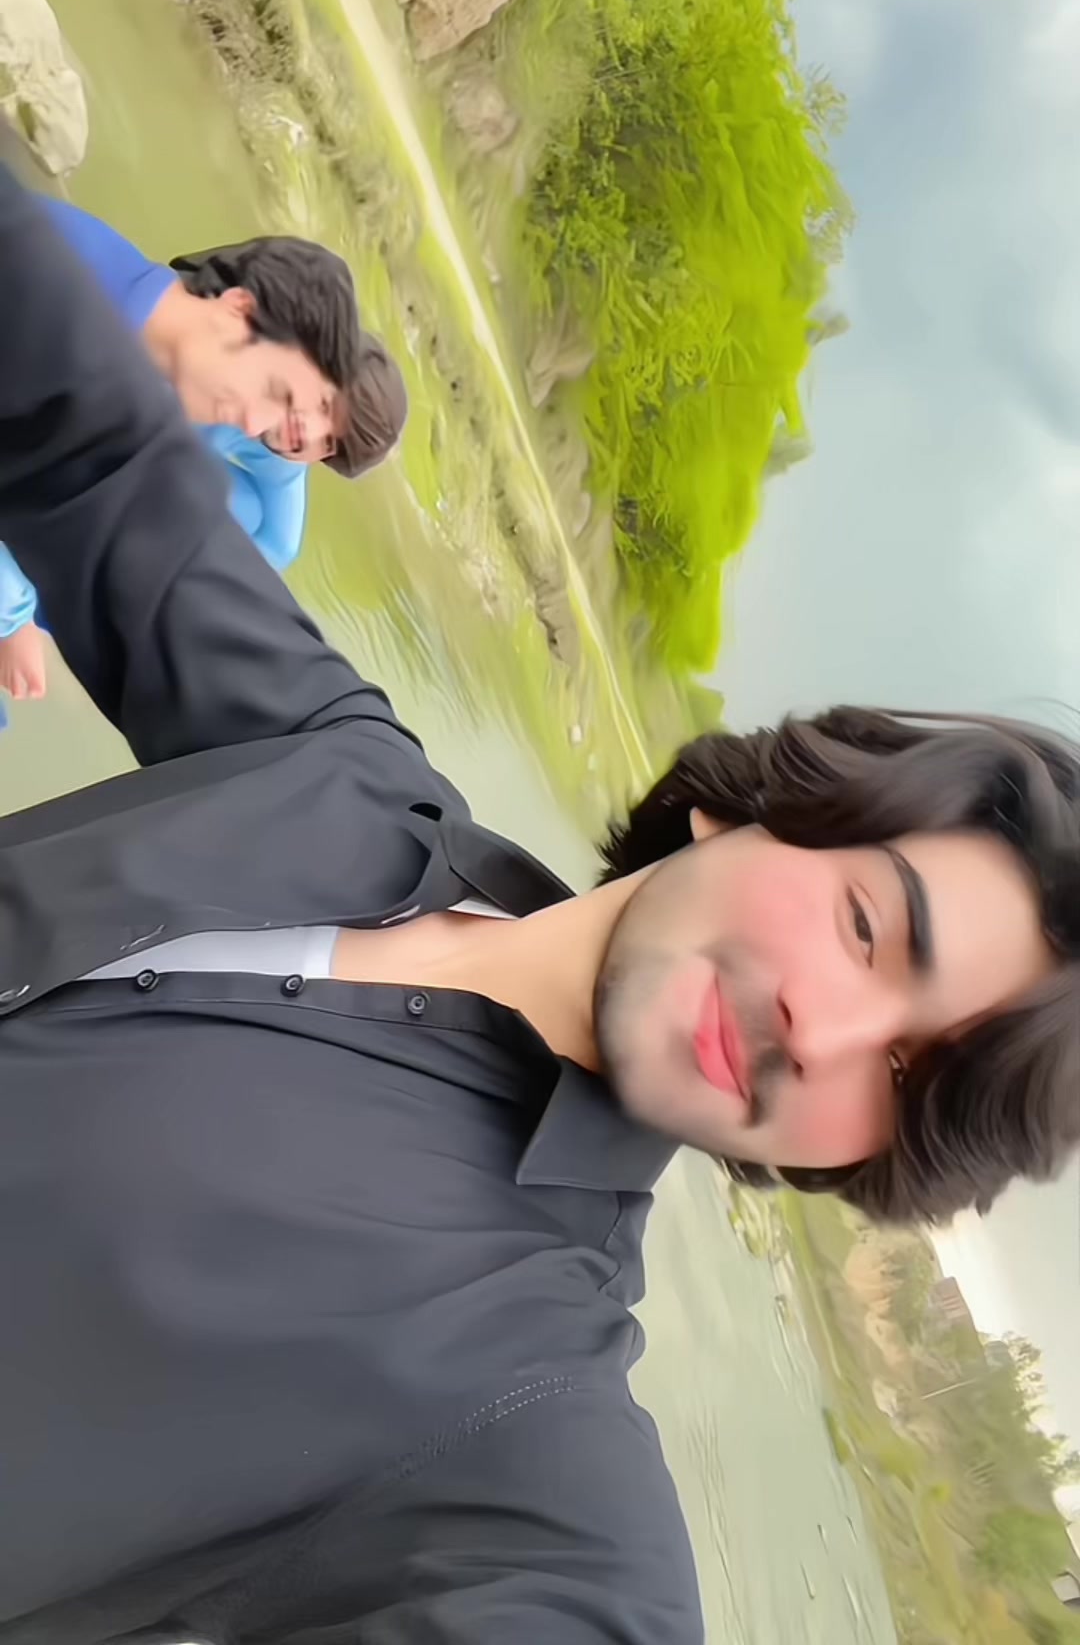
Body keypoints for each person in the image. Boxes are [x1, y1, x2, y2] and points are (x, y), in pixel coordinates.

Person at [0, 162, 1077, 1643]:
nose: (822, 1032)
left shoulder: (521, 1420)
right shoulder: (342, 769)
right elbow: (96, 446)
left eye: (903, 1080)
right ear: (757, 809)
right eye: (867, 930)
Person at [0, 196, 407, 704]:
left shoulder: (230, 412)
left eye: (326, 444)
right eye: (289, 395)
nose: (284, 428)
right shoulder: (79, 322)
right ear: (240, 311)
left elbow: (276, 546)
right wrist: (13, 620)